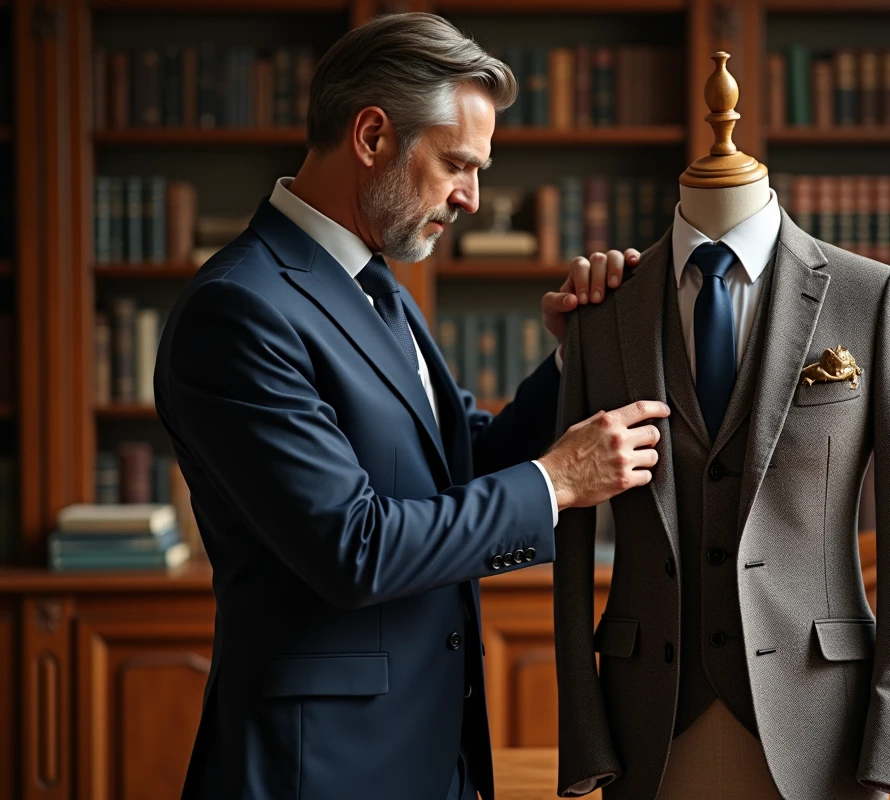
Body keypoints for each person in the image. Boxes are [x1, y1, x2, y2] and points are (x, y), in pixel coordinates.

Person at [153, 13, 663, 800]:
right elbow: (353, 546)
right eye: (459, 164)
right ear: (371, 137)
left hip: (434, 750)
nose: (472, 199)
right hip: (320, 768)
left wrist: (575, 355)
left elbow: (460, 458)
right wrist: (555, 484)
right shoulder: (238, 310)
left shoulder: (378, 286)